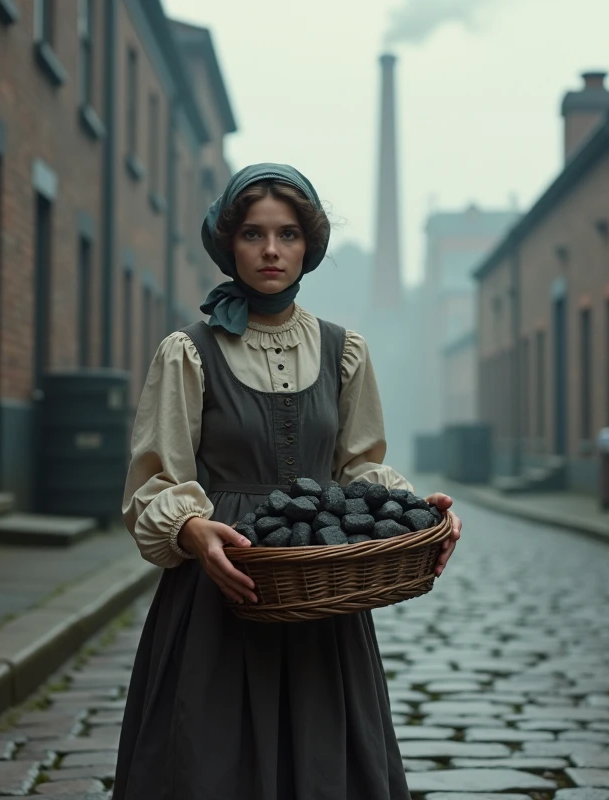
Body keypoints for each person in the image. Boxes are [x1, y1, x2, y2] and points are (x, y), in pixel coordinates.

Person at [114, 163, 463, 800]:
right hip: (221, 592)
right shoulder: (187, 351)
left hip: (320, 595)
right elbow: (156, 479)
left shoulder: (343, 350)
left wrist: (419, 512)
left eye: (288, 235)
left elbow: (360, 470)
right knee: (213, 761)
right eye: (252, 234)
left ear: (309, 245)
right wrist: (193, 530)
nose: (271, 250)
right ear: (228, 242)